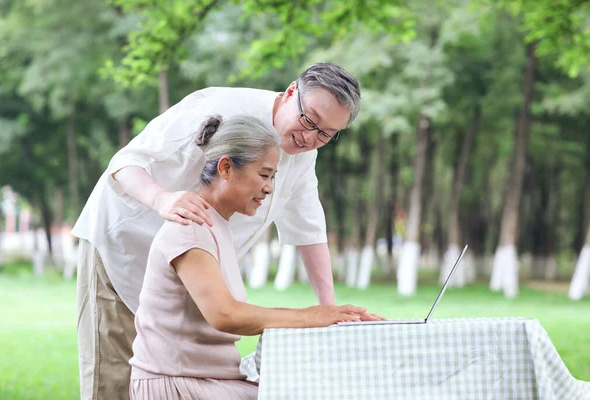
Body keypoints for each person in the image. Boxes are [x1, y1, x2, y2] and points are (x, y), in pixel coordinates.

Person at [73, 62, 361, 399]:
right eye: (309, 120)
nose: (310, 137)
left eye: (326, 134)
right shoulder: (217, 110)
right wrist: (162, 199)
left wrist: (331, 313)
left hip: (197, 276)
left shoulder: (302, 153)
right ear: (291, 93)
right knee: (113, 381)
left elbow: (308, 228)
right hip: (124, 248)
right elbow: (125, 161)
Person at [128, 115, 374, 399]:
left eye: (273, 177)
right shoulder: (192, 227)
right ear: (226, 168)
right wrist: (311, 315)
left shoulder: (215, 224)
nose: (269, 188)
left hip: (209, 380)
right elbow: (225, 314)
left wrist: (326, 316)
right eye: (264, 174)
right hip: (178, 385)